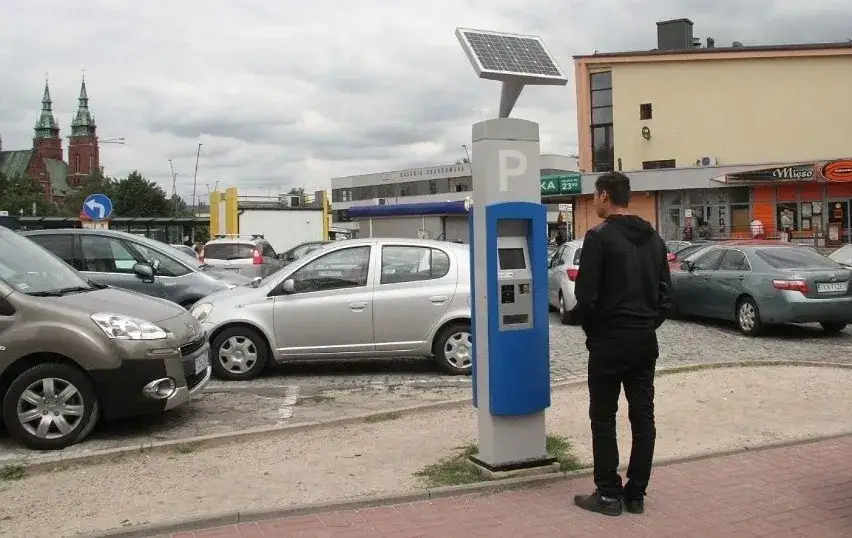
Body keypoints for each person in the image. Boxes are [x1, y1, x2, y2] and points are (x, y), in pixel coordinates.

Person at [572, 171, 673, 517]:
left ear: (603, 196)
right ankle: (636, 493)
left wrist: (595, 333)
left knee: (603, 417)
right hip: (645, 342)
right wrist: (646, 323)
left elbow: (585, 296)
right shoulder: (655, 239)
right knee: (643, 417)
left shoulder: (599, 237)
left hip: (609, 342)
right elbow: (666, 297)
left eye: (595, 196)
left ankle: (608, 493)